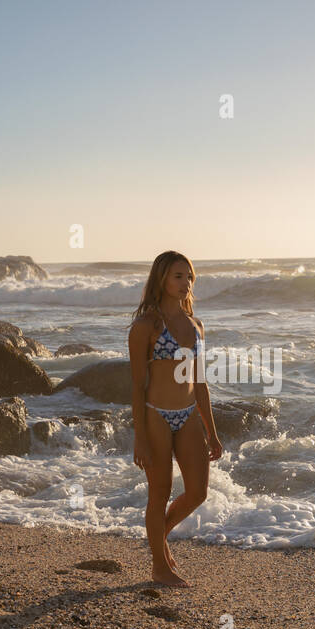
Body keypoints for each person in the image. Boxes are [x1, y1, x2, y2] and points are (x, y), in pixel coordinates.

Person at [128, 250, 223, 586]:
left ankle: (159, 538)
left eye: (189, 277)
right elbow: (138, 385)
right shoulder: (146, 326)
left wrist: (212, 432)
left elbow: (200, 383)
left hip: (187, 417)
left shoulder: (196, 325)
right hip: (155, 416)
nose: (186, 283)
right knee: (160, 492)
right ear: (162, 280)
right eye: (178, 276)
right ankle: (159, 566)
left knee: (198, 492)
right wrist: (139, 435)